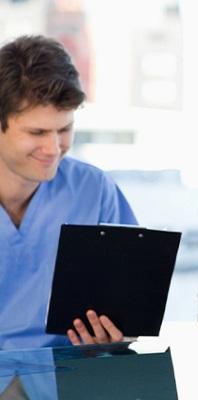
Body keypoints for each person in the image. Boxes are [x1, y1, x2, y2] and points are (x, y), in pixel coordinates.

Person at [0, 35, 137, 350]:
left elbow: (129, 313)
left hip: (67, 379)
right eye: (37, 132)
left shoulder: (94, 191)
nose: (53, 149)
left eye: (64, 130)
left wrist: (117, 334)